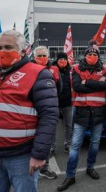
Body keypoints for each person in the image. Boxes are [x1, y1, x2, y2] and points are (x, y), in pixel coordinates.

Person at [0, 30, 58, 192]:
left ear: (23, 51)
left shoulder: (39, 74)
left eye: (8, 47)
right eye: (0, 47)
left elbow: (49, 116)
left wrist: (39, 155)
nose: (2, 51)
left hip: (21, 156)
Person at [57, 40, 106, 191]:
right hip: (81, 112)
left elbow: (105, 85)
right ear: (85, 56)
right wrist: (95, 84)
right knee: (75, 145)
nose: (92, 56)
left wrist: (87, 82)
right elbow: (77, 86)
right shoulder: (76, 68)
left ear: (98, 56)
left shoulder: (105, 69)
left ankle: (90, 167)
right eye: (89, 54)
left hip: (98, 113)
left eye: (94, 54)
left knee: (95, 143)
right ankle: (70, 175)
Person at [33, 45, 62, 179]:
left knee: (46, 139)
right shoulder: (28, 70)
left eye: (44, 55)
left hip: (48, 110)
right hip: (32, 111)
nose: (42, 58)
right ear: (34, 57)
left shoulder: (53, 69)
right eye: (39, 56)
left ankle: (44, 167)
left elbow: (59, 87)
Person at [54, 52, 73, 153]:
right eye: (60, 59)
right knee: (53, 126)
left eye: (64, 59)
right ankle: (52, 146)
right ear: (57, 60)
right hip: (54, 103)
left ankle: (68, 144)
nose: (63, 61)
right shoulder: (52, 70)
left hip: (68, 103)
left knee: (68, 125)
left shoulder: (71, 71)